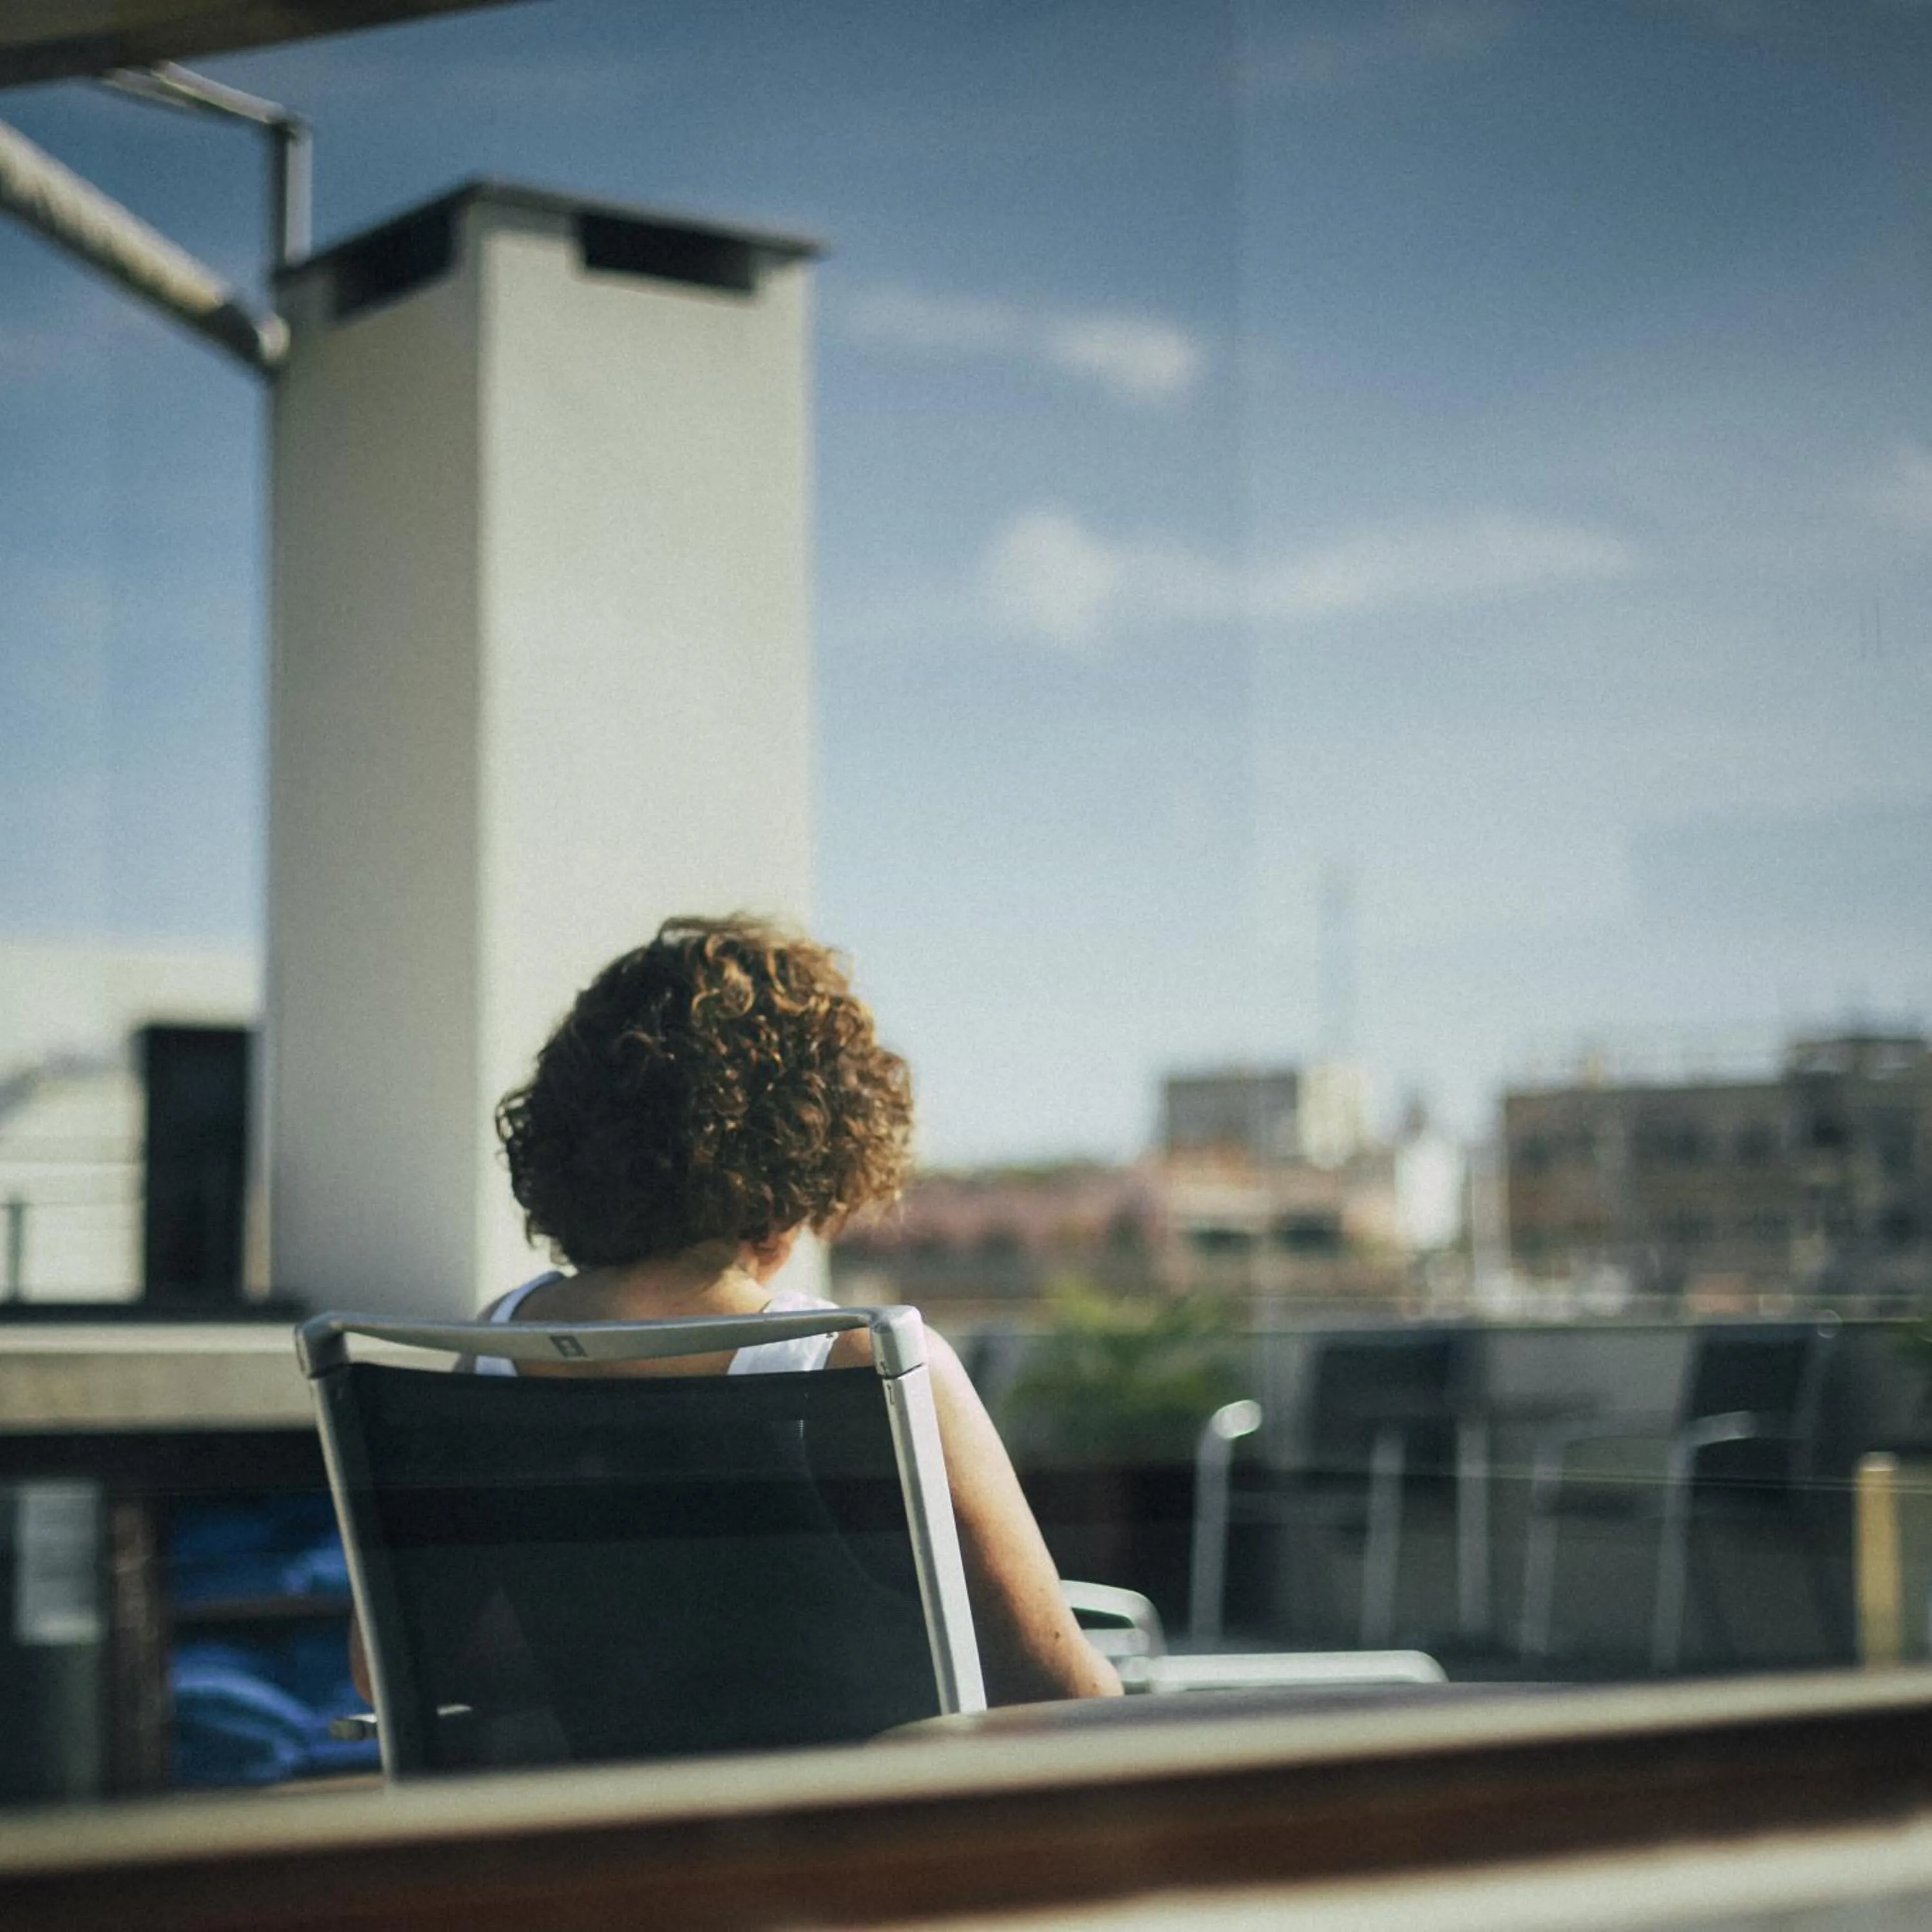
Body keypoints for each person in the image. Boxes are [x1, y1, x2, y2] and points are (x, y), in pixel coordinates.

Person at [473, 912, 1119, 1707]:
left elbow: (401, 1668)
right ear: (809, 1150)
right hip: (855, 1827)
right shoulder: (861, 1367)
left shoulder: (491, 1355)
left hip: (594, 1825)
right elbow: (1060, 1693)